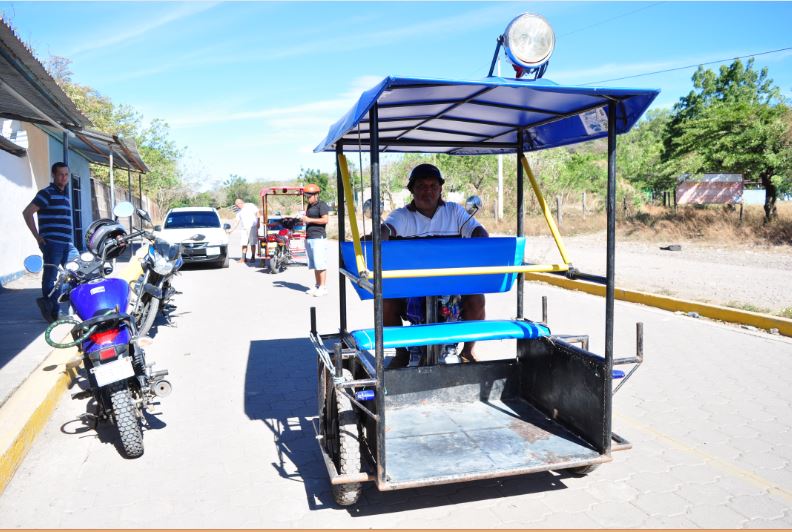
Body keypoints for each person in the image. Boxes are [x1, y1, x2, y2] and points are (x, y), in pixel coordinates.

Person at [379, 163, 489, 367]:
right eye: (421, 186)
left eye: (433, 186)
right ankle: (401, 352)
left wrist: (479, 235)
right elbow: (387, 229)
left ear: (440, 189)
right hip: (410, 287)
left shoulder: (454, 212)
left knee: (477, 299)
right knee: (386, 302)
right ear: (412, 189)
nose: (427, 191)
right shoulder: (402, 215)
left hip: (452, 285)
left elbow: (477, 231)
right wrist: (379, 235)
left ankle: (469, 351)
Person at [22, 162, 79, 323]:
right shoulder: (46, 193)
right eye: (60, 174)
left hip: (67, 244)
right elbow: (27, 213)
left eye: (66, 174)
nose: (64, 177)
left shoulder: (65, 195)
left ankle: (52, 302)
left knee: (78, 271)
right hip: (52, 243)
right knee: (51, 278)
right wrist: (37, 236)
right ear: (53, 175)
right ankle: (53, 312)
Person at [302, 183, 330, 297]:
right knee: (314, 264)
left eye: (309, 196)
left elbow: (325, 220)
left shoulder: (321, 205)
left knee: (320, 263)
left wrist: (309, 219)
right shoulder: (309, 206)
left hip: (319, 238)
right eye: (306, 196)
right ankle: (317, 285)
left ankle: (323, 287)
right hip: (310, 237)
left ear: (316, 195)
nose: (307, 198)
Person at [229, 198, 259, 263]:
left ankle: (253, 257)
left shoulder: (250, 205)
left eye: (237, 204)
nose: (237, 206)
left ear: (241, 202)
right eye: (236, 205)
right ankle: (243, 258)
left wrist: (258, 222)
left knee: (252, 243)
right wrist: (232, 230)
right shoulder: (238, 211)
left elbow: (257, 212)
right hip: (244, 229)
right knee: (244, 243)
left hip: (252, 227)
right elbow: (237, 221)